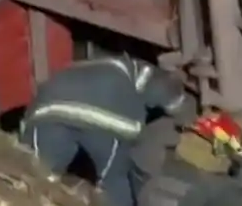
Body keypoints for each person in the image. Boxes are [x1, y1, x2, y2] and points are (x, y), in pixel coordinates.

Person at [19, 55, 189, 206]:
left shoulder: (113, 64)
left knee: (36, 174)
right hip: (100, 116)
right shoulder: (140, 82)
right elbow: (136, 125)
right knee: (114, 178)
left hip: (46, 111)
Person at [137, 111, 242, 206]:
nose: (184, 137)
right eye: (189, 133)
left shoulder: (155, 159)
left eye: (193, 135)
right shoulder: (217, 186)